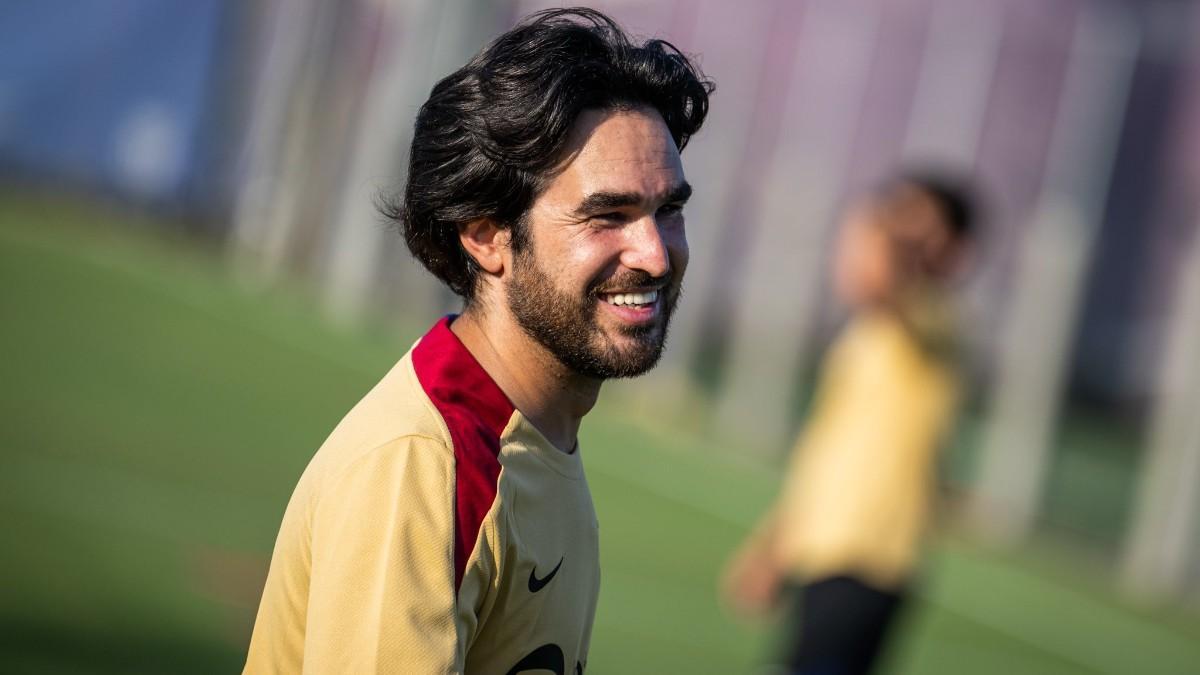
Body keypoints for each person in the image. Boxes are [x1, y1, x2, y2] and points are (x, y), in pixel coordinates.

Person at [243, 8, 712, 674]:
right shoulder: (423, 467)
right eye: (608, 215)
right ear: (486, 234)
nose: (656, 255)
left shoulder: (539, 443)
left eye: (668, 210)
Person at [722, 172, 976, 675]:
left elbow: (890, 285)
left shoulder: (938, 322)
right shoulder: (867, 334)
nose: (901, 242)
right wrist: (776, 545)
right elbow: (828, 450)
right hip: (825, 548)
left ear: (955, 250)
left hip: (872, 556)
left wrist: (888, 232)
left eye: (919, 231)